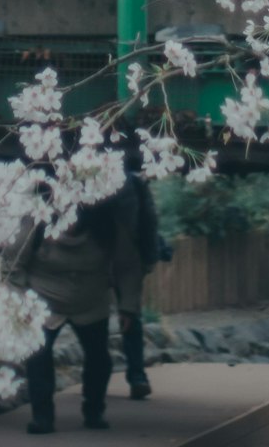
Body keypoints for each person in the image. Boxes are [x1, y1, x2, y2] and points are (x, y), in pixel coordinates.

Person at [7, 199, 118, 434]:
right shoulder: (37, 220)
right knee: (38, 355)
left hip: (91, 300)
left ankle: (94, 410)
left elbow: (126, 263)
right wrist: (21, 305)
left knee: (99, 358)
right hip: (44, 300)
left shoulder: (105, 224)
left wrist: (128, 306)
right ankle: (42, 417)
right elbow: (12, 264)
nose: (71, 225)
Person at [110, 159, 161, 399]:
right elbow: (149, 219)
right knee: (130, 315)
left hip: (117, 254)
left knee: (124, 316)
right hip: (122, 256)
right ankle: (136, 374)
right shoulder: (134, 182)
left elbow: (149, 219)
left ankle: (134, 374)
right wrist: (149, 256)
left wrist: (149, 254)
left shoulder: (134, 183)